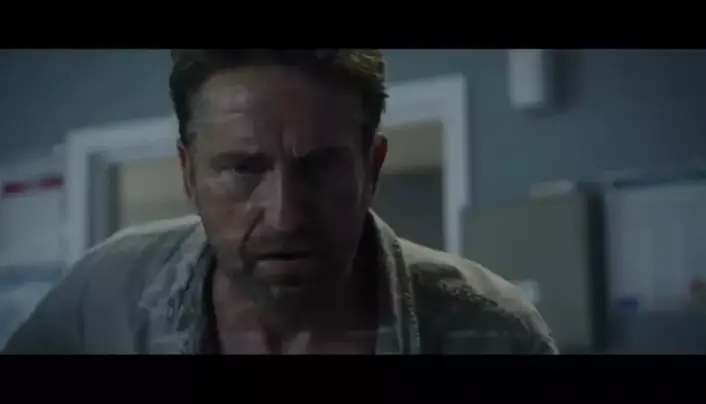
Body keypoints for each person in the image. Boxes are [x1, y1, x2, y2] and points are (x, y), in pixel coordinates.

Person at [2, 49, 557, 354]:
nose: (286, 216)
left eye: (320, 166)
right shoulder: (103, 298)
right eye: (243, 169)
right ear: (189, 173)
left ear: (372, 167)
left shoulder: (490, 331)